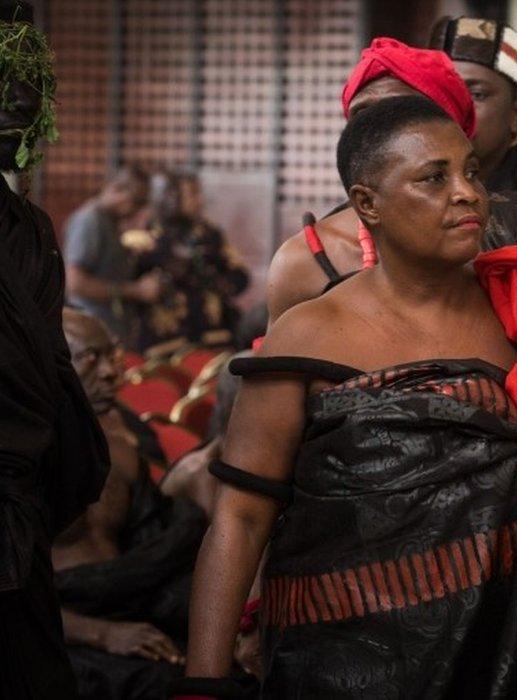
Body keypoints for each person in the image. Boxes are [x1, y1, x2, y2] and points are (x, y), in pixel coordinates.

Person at [176, 96, 517, 699]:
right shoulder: (307, 334)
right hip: (346, 656)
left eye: (471, 172)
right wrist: (204, 682)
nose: (468, 193)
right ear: (367, 204)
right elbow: (241, 517)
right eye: (434, 177)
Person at [266, 38, 517, 485]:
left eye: (408, 110)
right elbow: (268, 444)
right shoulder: (303, 261)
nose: (385, 123)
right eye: (365, 111)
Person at [0, 7, 110, 698]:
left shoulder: (29, 231)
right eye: (4, 76)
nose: (20, 96)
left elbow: (52, 388)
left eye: (31, 77)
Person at [55, 309, 208, 699]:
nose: (110, 373)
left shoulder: (121, 450)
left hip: (128, 603)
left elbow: (154, 544)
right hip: (59, 627)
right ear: (50, 362)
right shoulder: (17, 461)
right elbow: (13, 598)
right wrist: (104, 634)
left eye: (112, 356)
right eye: (91, 358)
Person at [130, 172, 249, 354]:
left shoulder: (210, 235)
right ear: (169, 197)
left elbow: (240, 274)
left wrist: (219, 283)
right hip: (163, 340)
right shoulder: (143, 238)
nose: (199, 201)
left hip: (212, 336)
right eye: (192, 194)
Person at [64, 165, 157, 346]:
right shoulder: (89, 221)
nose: (138, 209)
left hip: (113, 329)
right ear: (115, 189)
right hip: (94, 329)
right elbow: (75, 284)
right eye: (137, 201)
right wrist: (136, 290)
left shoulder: (111, 221)